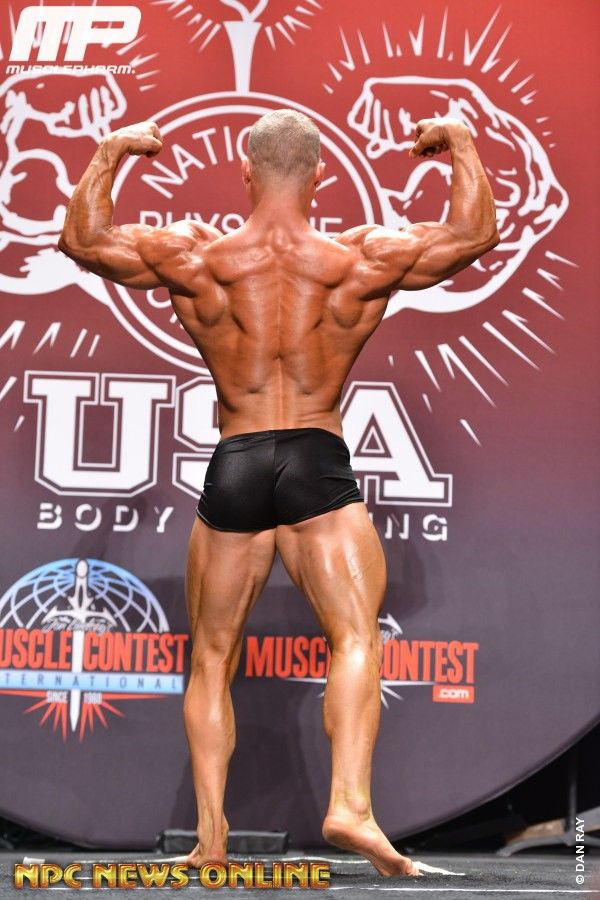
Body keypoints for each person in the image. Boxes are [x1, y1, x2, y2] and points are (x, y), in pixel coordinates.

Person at [58, 109, 499, 878]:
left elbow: (84, 241)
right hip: (314, 459)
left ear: (245, 170)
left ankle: (210, 837)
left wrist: (109, 152)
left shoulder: (196, 255)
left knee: (211, 658)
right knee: (354, 638)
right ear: (322, 173)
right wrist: (459, 143)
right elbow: (472, 235)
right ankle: (350, 806)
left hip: (236, 459)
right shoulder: (358, 257)